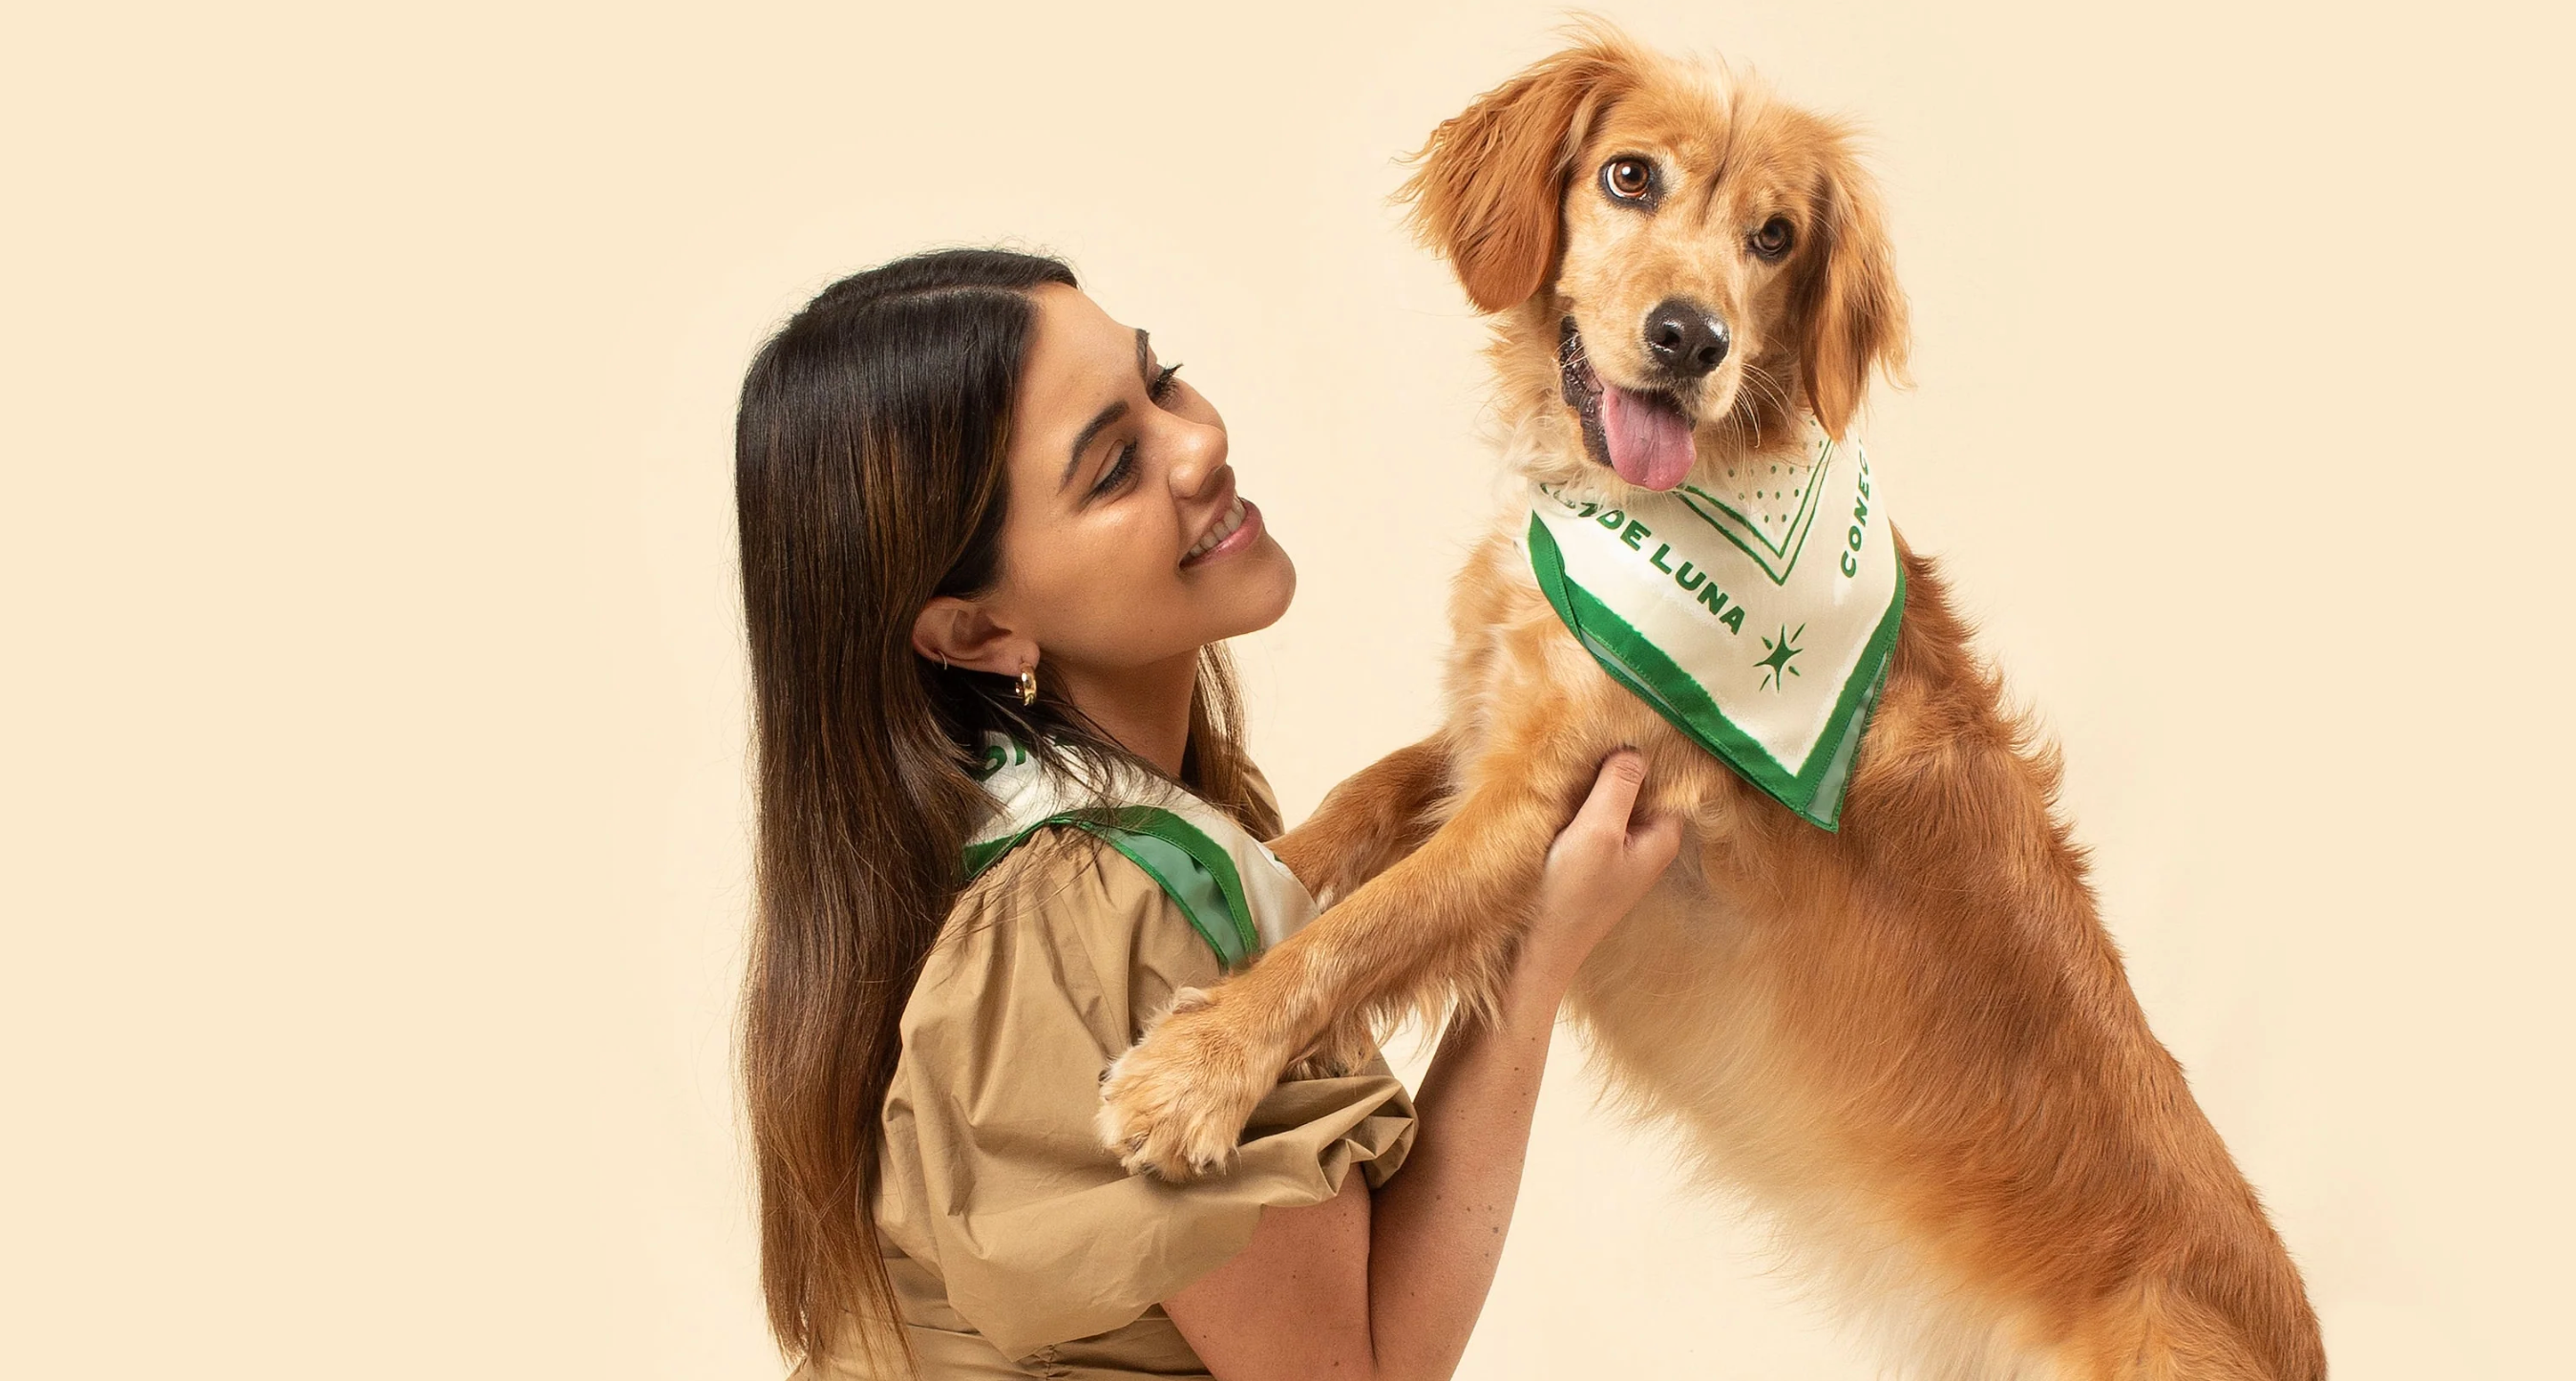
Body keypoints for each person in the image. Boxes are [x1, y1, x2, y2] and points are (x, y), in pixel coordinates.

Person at [735, 247, 1679, 1380]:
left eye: (1162, 379)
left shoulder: (1013, 846)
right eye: (1114, 468)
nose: (1199, 442)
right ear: (978, 634)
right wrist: (1533, 952)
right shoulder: (1103, 910)